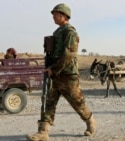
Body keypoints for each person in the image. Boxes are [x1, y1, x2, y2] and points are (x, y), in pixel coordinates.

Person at [27, 3, 96, 141]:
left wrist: (54, 69)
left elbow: (69, 55)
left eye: (56, 14)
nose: (53, 16)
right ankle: (43, 132)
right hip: (54, 74)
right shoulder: (57, 32)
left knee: (77, 103)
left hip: (68, 75)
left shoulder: (70, 32)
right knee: (48, 101)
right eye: (53, 14)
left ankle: (90, 121)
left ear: (64, 16)